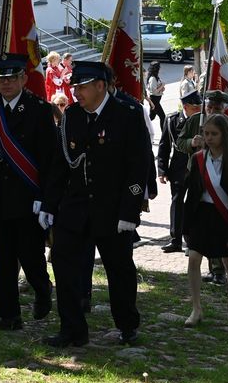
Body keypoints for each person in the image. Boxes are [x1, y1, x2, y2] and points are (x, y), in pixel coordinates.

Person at [40, 61, 149, 348]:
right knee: (63, 266)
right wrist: (49, 204)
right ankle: (72, 328)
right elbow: (60, 164)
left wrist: (130, 210)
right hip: (75, 206)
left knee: (119, 269)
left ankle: (127, 325)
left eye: (83, 86)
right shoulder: (72, 115)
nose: (77, 92)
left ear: (101, 86)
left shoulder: (127, 113)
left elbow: (138, 166)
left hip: (112, 209)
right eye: (75, 86)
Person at [0, 54, 56, 330]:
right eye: (1, 78)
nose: (5, 83)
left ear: (23, 78)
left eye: (11, 78)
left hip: (28, 196)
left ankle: (43, 289)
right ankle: (9, 315)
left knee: (30, 255)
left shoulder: (40, 110)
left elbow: (48, 159)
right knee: (4, 257)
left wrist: (45, 198)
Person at [182, 113, 228, 324]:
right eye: (206, 133)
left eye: (214, 134)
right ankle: (196, 308)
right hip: (201, 215)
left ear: (224, 135)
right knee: (194, 260)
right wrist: (185, 224)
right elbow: (191, 194)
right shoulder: (198, 159)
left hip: (224, 217)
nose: (209, 138)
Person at [157, 89, 201, 254]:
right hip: (178, 168)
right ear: (186, 106)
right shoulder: (172, 120)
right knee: (177, 202)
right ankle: (175, 240)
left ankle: (191, 241)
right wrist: (162, 169)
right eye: (195, 106)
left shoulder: (202, 119)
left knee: (193, 203)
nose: (199, 109)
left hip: (197, 167)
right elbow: (164, 146)